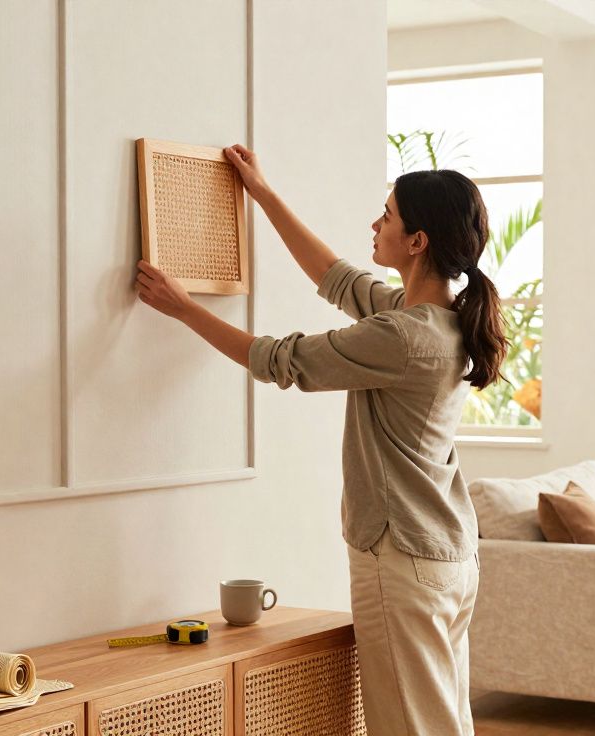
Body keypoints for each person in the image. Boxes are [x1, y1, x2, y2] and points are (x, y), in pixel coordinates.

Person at [134, 143, 507, 736]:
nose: (375, 224)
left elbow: (277, 360)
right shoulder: (441, 319)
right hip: (447, 555)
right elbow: (338, 278)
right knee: (441, 724)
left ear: (418, 242)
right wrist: (261, 193)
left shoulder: (401, 336)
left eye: (386, 215)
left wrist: (183, 309)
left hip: (403, 558)